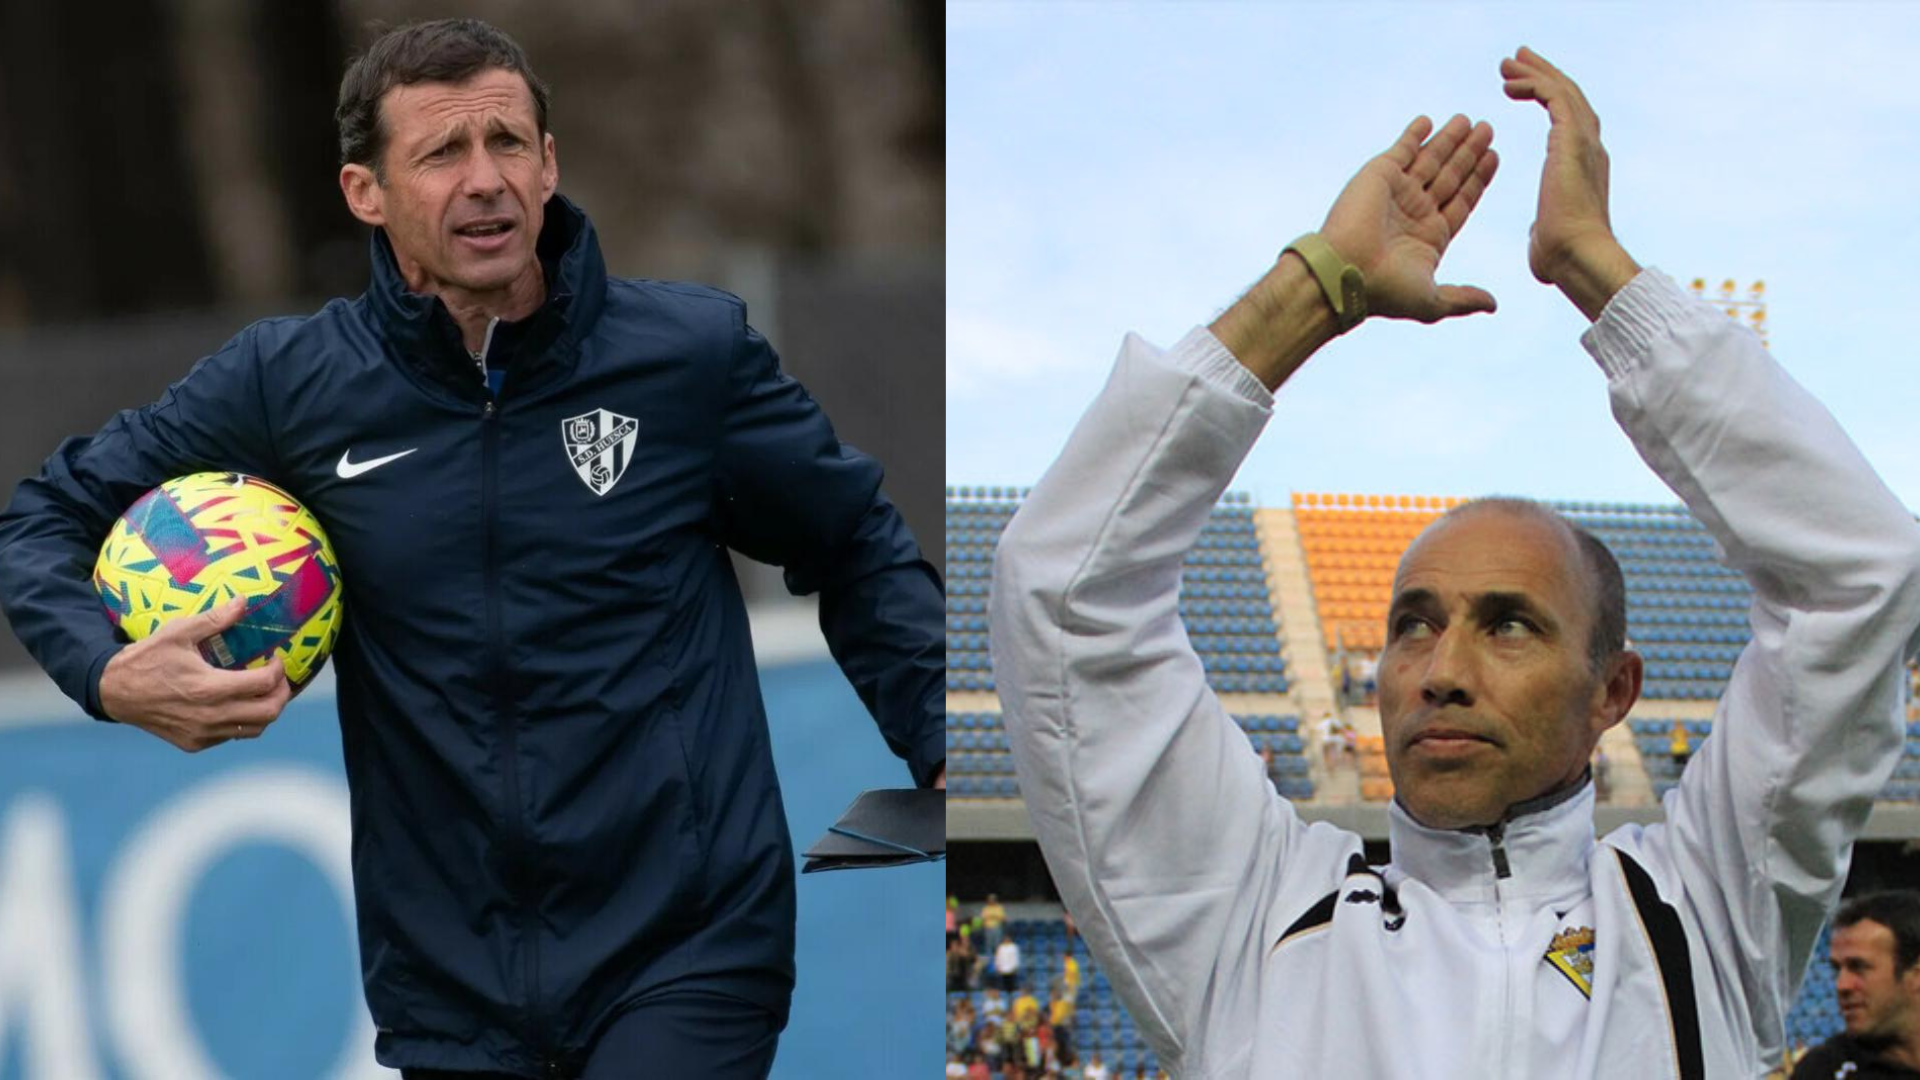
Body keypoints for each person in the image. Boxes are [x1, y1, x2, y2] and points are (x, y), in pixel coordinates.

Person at [0, 18, 944, 1080]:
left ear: (550, 165)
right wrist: (107, 670)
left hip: (687, 947)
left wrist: (954, 745)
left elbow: (855, 543)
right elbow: (39, 516)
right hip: (448, 986)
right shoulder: (290, 384)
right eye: (443, 153)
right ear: (367, 192)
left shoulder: (688, 358)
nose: (484, 180)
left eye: (507, 143)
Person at [990, 47, 1920, 1078]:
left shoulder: (1703, 913)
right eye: (1412, 623)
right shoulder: (1254, 918)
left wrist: (1596, 271)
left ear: (1613, 690)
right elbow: (1067, 590)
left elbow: (1859, 573)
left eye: (1509, 623)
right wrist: (1314, 291)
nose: (1440, 667)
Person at [1791, 892, 1920, 1079]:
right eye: (1837, 969)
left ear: (1916, 976)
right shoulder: (1824, 1071)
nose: (1842, 986)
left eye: (1858, 967)